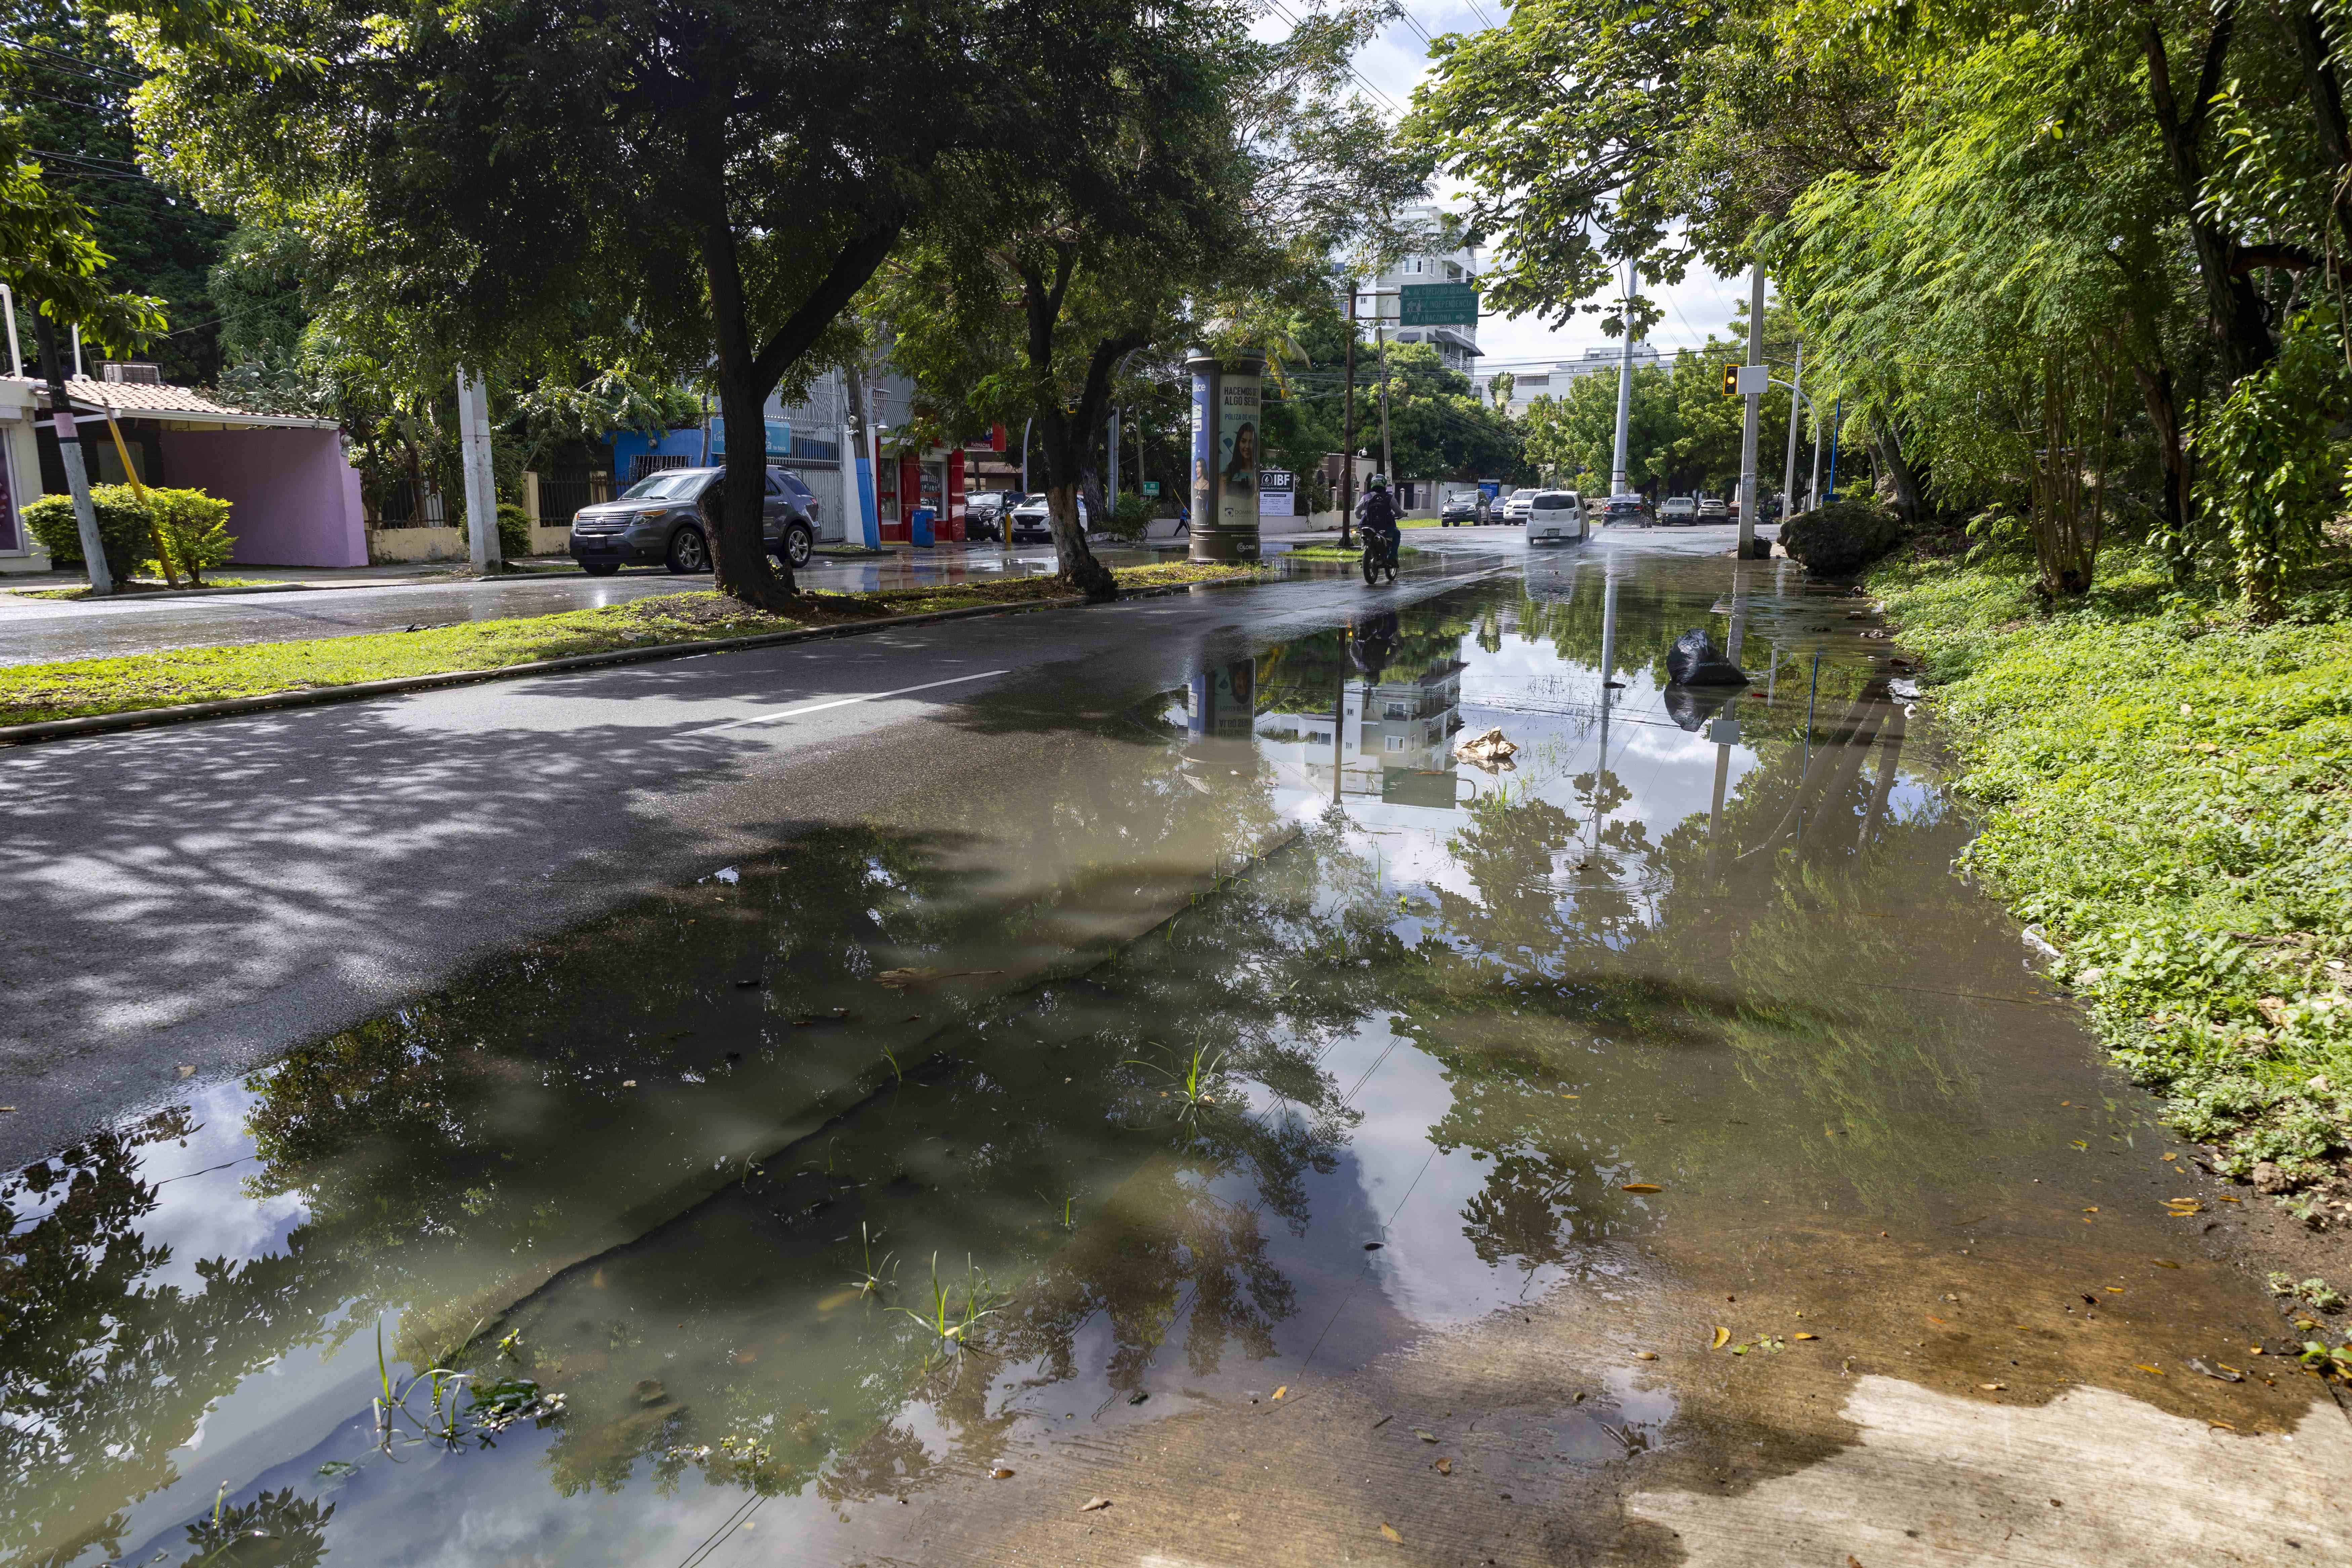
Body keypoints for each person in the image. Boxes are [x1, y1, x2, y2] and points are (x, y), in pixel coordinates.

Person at [1354, 473, 1401, 568]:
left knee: (1364, 537)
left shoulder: (1366, 497)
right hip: (1386, 527)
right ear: (1384, 484)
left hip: (1368, 526)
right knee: (1397, 534)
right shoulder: (1389, 498)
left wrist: (1361, 517)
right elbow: (1399, 512)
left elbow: (1357, 512)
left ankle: (1364, 553)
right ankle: (1392, 558)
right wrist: (1402, 515)